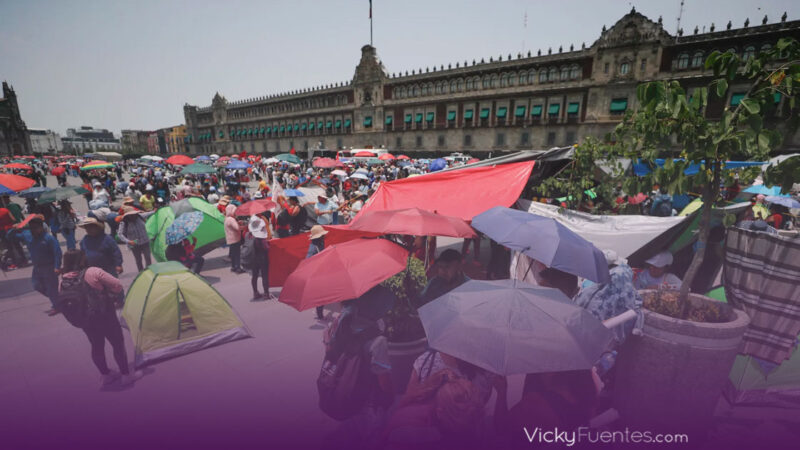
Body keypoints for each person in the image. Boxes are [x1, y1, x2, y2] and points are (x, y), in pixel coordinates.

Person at [59, 249, 143, 387]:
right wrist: (110, 292)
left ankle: (105, 375)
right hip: (105, 315)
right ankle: (125, 375)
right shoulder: (93, 271)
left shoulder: (64, 280)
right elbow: (117, 285)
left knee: (96, 346)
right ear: (82, 259)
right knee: (117, 343)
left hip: (85, 319)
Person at [322, 297, 394, 450]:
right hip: (369, 404)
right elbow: (383, 381)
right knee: (372, 440)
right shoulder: (378, 341)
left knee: (350, 437)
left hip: (346, 395)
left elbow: (331, 354)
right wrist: (391, 396)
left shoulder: (339, 324)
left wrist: (327, 340)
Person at [15, 215, 62, 315]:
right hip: (37, 268)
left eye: (35, 228)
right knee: (36, 285)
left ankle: (57, 305)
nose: (33, 230)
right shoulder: (28, 236)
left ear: (41, 227)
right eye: (31, 228)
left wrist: (57, 267)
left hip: (49, 267)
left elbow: (57, 252)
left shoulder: (49, 239)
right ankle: (59, 298)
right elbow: (10, 237)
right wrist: (15, 228)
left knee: (51, 288)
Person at [117, 206, 152, 272]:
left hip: (145, 241)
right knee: (138, 259)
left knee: (148, 258)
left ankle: (148, 271)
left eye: (133, 214)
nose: (133, 216)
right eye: (130, 215)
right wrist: (128, 241)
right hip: (134, 244)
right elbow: (120, 234)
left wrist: (156, 210)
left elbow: (149, 213)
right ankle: (141, 273)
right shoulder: (124, 222)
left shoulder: (140, 216)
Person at [246, 215, 272, 300]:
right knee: (265, 275)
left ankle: (255, 292)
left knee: (254, 276)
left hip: (253, 258)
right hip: (262, 258)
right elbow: (267, 248)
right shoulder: (261, 238)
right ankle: (266, 293)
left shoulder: (248, 235)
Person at [307, 225, 328, 320]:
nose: (324, 236)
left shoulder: (320, 244)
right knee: (321, 294)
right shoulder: (313, 249)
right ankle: (320, 313)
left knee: (323, 294)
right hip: (317, 274)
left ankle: (319, 311)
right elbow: (308, 262)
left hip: (322, 272)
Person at [225, 203, 245, 273]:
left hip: (230, 239)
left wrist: (238, 222)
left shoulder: (227, 219)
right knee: (237, 254)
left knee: (233, 254)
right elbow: (237, 228)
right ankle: (238, 268)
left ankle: (233, 267)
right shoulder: (231, 219)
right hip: (235, 239)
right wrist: (244, 227)